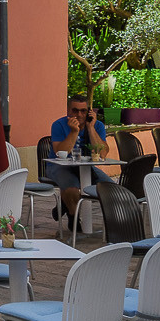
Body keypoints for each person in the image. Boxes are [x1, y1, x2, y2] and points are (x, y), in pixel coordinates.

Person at [46, 93, 109, 234]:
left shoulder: (97, 125)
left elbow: (103, 153)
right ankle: (74, 220)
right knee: (72, 189)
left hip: (86, 168)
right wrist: (74, 132)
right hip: (58, 166)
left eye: (83, 111)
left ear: (89, 112)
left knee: (111, 189)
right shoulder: (58, 125)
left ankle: (64, 204)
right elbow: (60, 152)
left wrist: (91, 128)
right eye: (75, 110)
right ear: (68, 110)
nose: (79, 115)